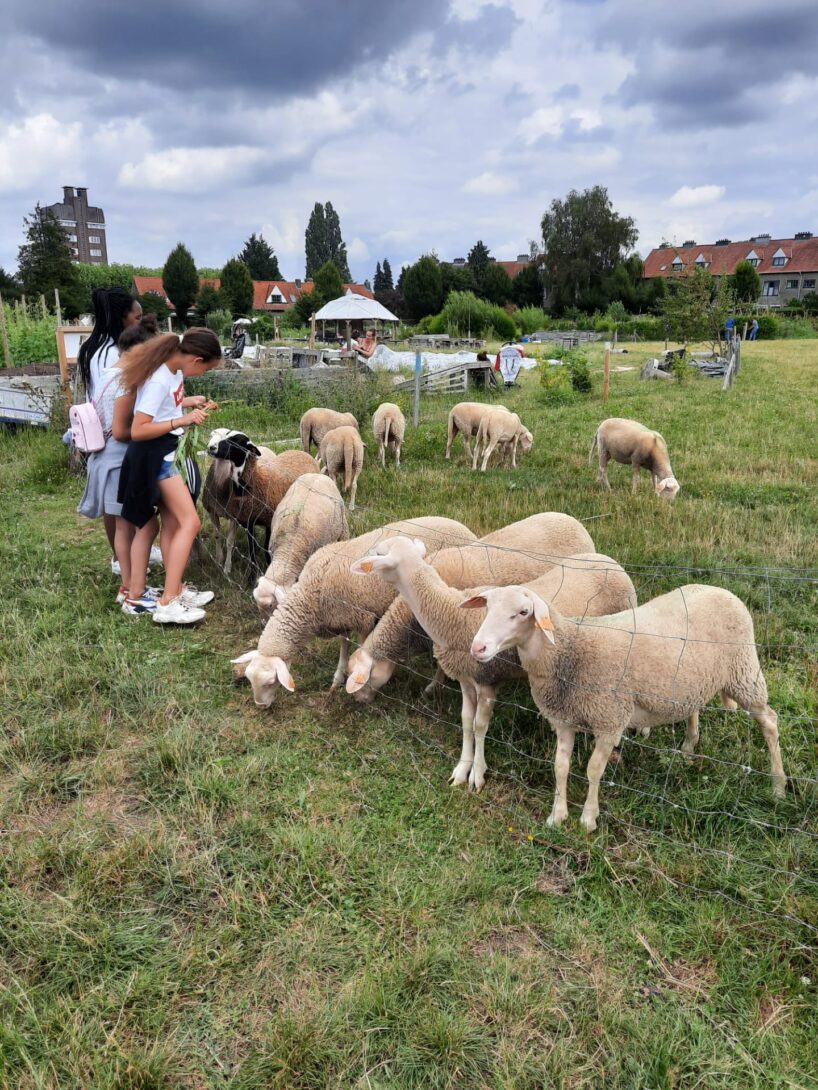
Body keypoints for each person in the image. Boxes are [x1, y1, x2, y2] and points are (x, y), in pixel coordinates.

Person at [117, 329, 221, 624]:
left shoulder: (174, 371)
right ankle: (169, 602)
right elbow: (138, 429)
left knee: (173, 523)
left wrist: (188, 403)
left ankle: (174, 589)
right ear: (197, 359)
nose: (202, 374)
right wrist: (182, 419)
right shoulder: (161, 378)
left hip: (165, 451)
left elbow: (164, 407)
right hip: (156, 458)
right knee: (191, 522)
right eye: (206, 369)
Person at [77, 287, 146, 573]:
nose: (140, 322)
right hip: (113, 434)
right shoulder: (111, 354)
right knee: (114, 504)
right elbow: (116, 397)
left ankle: (126, 553)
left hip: (105, 431)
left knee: (116, 502)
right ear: (123, 317)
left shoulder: (96, 348)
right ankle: (121, 559)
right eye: (137, 316)